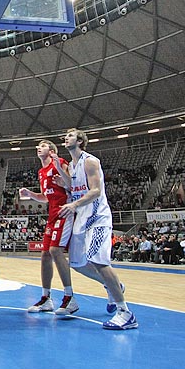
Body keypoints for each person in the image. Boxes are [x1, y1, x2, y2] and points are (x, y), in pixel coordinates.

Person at [61, 128, 137, 330]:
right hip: (81, 218)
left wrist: (74, 205)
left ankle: (125, 312)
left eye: (69, 135)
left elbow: (96, 190)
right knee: (77, 263)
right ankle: (113, 286)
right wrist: (61, 175)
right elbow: (72, 187)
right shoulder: (71, 164)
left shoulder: (90, 161)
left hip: (97, 217)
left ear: (80, 140)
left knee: (99, 260)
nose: (65, 138)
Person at [18, 140, 78, 316]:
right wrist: (30, 194)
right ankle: (46, 298)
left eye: (42, 146)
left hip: (65, 211)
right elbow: (45, 197)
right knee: (45, 254)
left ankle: (69, 297)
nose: (38, 148)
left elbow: (72, 186)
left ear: (51, 150)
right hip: (52, 214)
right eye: (37, 146)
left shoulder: (60, 163)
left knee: (55, 250)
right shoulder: (41, 172)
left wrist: (62, 177)